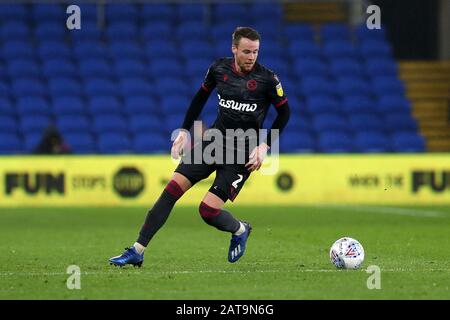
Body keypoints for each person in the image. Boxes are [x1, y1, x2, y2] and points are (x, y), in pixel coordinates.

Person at [109, 27, 290, 267]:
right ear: (234, 48)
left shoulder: (268, 79)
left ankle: (240, 229)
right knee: (171, 190)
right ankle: (137, 251)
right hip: (213, 142)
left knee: (207, 211)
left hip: (242, 153)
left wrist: (266, 145)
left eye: (255, 52)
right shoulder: (219, 69)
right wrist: (184, 131)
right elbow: (199, 99)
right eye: (246, 51)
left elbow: (284, 113)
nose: (251, 57)